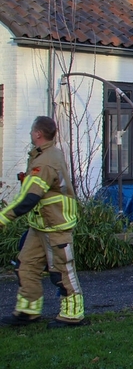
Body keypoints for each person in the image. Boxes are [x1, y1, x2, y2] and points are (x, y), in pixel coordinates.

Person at [0, 116, 88, 328]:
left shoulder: (45, 161)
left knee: (62, 272)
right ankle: (27, 312)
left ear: (38, 134)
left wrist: (3, 218)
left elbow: (29, 198)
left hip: (56, 226)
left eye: (32, 131)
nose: (31, 134)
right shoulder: (46, 154)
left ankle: (72, 316)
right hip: (40, 225)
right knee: (26, 266)